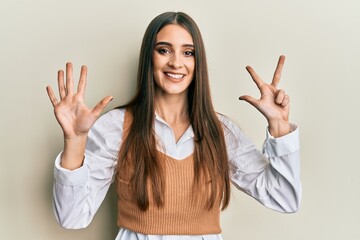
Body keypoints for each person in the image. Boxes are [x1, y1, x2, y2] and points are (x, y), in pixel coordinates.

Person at [46, 12, 301, 240]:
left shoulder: (220, 132)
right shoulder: (116, 126)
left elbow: (285, 199)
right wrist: (75, 141)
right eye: (164, 50)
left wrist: (279, 126)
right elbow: (72, 217)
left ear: (197, 61)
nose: (176, 63)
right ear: (149, 57)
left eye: (188, 52)